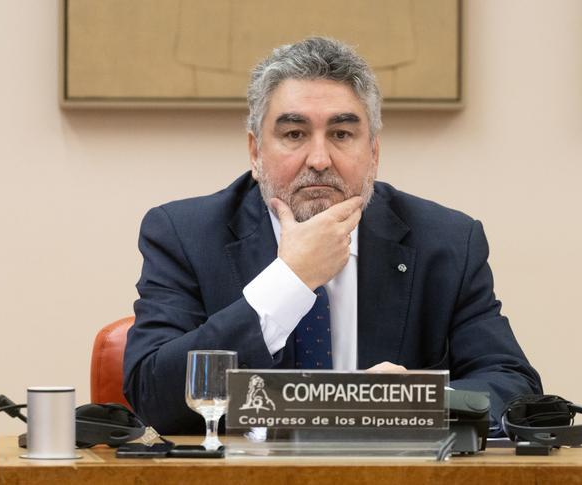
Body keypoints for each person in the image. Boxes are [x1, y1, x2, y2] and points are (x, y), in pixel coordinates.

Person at [123, 37, 542, 435]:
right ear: (255, 152)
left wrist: (421, 402)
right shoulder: (185, 235)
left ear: (373, 153)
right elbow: (152, 395)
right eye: (294, 134)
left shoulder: (446, 242)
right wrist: (290, 280)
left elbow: (513, 385)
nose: (319, 160)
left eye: (341, 134)